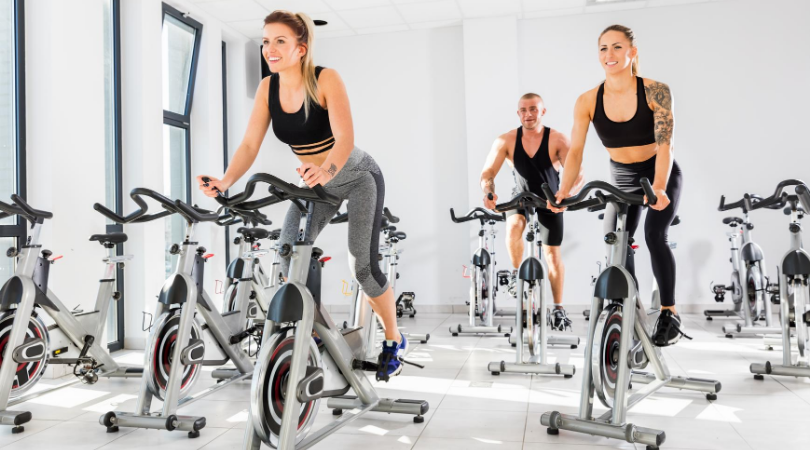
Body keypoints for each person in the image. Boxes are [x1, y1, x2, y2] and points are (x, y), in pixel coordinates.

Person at [197, 10, 406, 379]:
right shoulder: (268, 88)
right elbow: (249, 144)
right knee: (286, 251)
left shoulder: (325, 79)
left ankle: (393, 338)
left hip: (357, 177)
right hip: (314, 184)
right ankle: (312, 326)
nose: (269, 49)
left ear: (300, 48)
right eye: (265, 41)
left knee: (363, 267)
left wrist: (326, 170)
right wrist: (226, 180)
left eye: (279, 41)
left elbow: (345, 139)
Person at [548, 24, 686, 346]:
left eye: (617, 47)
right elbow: (576, 153)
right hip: (621, 176)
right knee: (616, 241)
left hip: (658, 173)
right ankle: (630, 307)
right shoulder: (587, 101)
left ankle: (669, 311)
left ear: (632, 52)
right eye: (603, 48)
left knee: (654, 235)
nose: (609, 55)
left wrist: (661, 187)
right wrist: (564, 191)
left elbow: (666, 145)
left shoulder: (656, 91)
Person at [480, 93, 583, 330]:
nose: (528, 114)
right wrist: (488, 192)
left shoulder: (557, 139)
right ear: (518, 113)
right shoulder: (506, 140)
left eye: (534, 109)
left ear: (542, 111)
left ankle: (558, 308)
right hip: (521, 197)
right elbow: (487, 173)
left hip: (551, 200)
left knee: (552, 256)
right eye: (524, 110)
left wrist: (565, 194)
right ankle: (519, 274)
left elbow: (576, 173)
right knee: (514, 226)